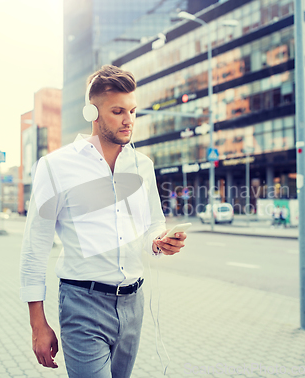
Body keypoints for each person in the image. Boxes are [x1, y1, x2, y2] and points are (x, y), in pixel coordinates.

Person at [19, 64, 187, 378]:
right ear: (91, 113)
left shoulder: (142, 166)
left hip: (133, 303)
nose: (129, 120)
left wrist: (160, 242)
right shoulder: (56, 166)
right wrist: (37, 324)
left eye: (133, 111)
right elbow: (34, 249)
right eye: (118, 111)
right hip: (83, 304)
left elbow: (153, 225)